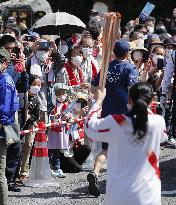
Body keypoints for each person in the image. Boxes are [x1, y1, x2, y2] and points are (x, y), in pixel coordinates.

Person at [85, 82, 168, 205]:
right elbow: (163, 137)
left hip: (119, 195)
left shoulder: (115, 122)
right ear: (151, 100)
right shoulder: (158, 122)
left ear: (129, 99)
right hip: (149, 196)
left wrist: (98, 101)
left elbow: (89, 127)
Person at [87, 39, 139, 197]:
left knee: (107, 148)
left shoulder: (105, 67)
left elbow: (92, 88)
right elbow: (132, 90)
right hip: (125, 114)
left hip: (107, 113)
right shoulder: (130, 68)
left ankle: (95, 172)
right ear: (127, 53)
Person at [0, 48, 19, 205]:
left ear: (5, 64)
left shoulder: (5, 81)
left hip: (2, 130)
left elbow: (5, 110)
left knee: (0, 172)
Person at [19, 75, 41, 182]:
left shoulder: (37, 99)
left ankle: (24, 171)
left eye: (39, 85)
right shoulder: (22, 95)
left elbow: (36, 115)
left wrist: (30, 118)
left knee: (28, 145)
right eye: (34, 84)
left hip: (30, 125)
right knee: (16, 146)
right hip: (19, 124)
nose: (36, 87)